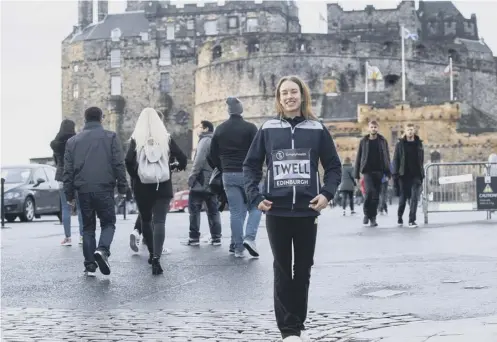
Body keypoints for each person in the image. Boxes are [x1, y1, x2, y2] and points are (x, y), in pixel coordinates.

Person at [243, 75, 342, 342]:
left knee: (304, 267)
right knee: (282, 267)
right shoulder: (267, 128)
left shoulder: (317, 128)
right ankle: (289, 330)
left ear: (302, 96)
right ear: (278, 98)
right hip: (277, 209)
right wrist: (255, 196)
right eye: (284, 92)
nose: (289, 97)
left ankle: (298, 321)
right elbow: (251, 166)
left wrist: (327, 193)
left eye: (294, 92)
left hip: (308, 209)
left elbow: (333, 166)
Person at [63, 107, 128, 277]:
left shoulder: (72, 142)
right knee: (108, 223)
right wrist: (122, 187)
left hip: (83, 189)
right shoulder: (111, 137)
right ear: (101, 118)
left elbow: (68, 171)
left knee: (88, 227)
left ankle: (90, 264)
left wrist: (69, 194)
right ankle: (102, 250)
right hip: (104, 187)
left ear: (85, 119)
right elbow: (118, 164)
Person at [125, 108, 187, 275]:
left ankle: (151, 253)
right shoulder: (165, 138)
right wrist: (174, 167)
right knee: (159, 222)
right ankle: (157, 258)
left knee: (146, 221)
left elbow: (128, 160)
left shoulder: (136, 139)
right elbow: (182, 158)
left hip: (142, 187)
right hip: (163, 185)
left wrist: (136, 176)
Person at [209, 97, 262, 257]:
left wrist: (222, 166)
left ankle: (238, 248)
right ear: (241, 110)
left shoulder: (220, 129)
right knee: (256, 206)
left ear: (228, 111)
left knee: (235, 212)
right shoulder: (250, 128)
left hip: (228, 174)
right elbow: (259, 151)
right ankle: (249, 238)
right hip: (248, 174)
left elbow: (211, 155)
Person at [186, 120, 222, 246]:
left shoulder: (204, 140)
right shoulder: (217, 140)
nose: (198, 130)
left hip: (201, 182)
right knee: (213, 210)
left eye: (200, 127)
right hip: (213, 181)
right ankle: (216, 237)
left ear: (206, 129)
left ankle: (194, 237)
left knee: (194, 210)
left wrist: (192, 177)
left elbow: (199, 161)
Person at [50, 119, 83, 246]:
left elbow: (56, 161)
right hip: (77, 177)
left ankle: (68, 238)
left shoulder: (55, 144)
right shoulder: (77, 141)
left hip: (62, 177)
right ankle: (82, 237)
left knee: (65, 208)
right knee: (80, 209)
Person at [354, 120, 391, 227]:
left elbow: (387, 157)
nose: (373, 129)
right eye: (372, 127)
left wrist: (389, 173)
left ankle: (373, 218)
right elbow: (358, 158)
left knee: (376, 196)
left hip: (379, 171)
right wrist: (356, 175)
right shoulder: (363, 141)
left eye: (375, 127)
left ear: (377, 128)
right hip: (367, 172)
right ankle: (366, 213)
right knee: (369, 192)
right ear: (368, 128)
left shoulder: (383, 141)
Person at [392, 123, 424, 228]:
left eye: (412, 129)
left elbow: (421, 159)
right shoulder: (400, 144)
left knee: (414, 198)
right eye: (408, 130)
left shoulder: (419, 143)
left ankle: (412, 220)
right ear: (405, 131)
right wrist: (395, 174)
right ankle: (400, 216)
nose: (410, 131)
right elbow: (396, 159)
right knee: (403, 200)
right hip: (403, 175)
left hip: (416, 175)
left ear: (414, 130)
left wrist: (421, 173)